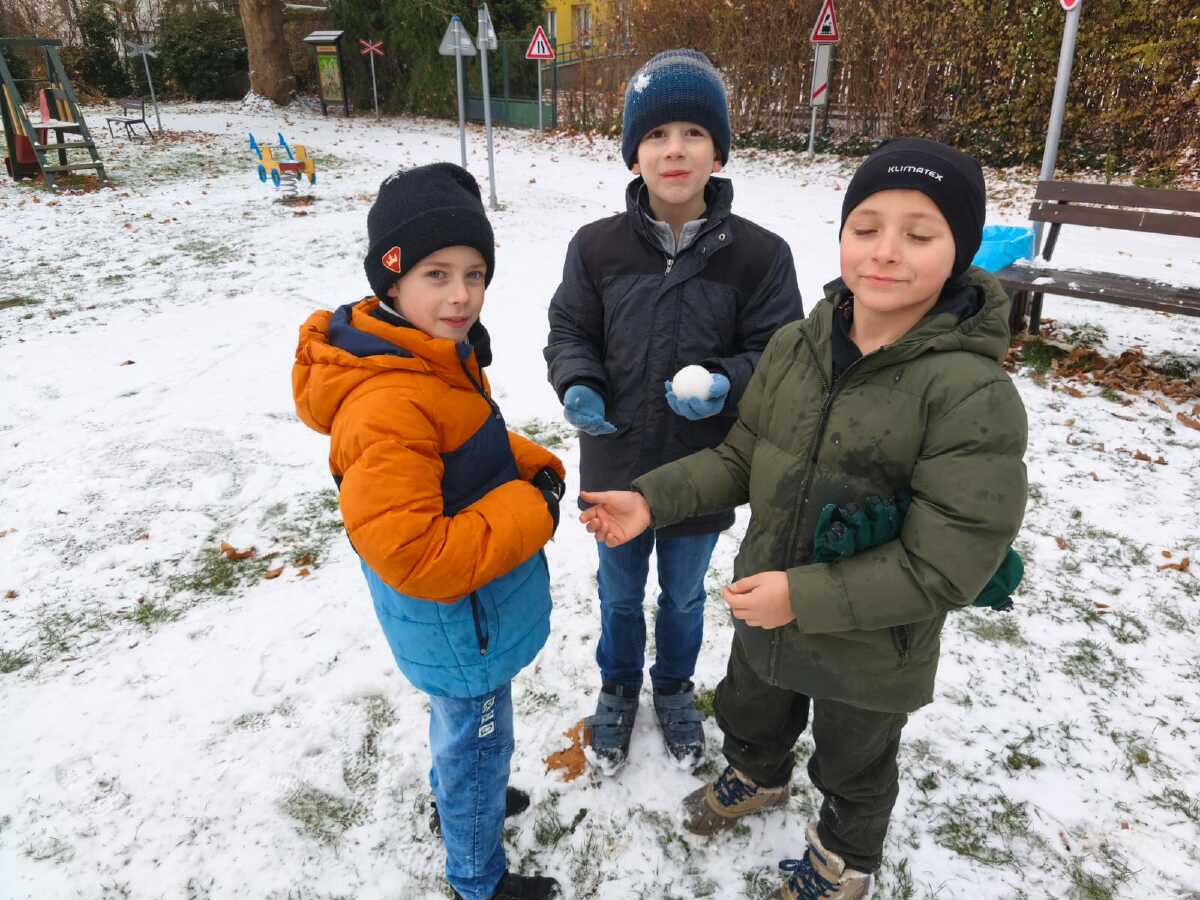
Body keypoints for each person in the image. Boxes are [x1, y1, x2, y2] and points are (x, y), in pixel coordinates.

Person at [578, 138, 1028, 899]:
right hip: (767, 606)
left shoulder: (971, 394)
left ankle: (842, 860)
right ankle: (758, 775)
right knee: (752, 711)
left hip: (872, 645)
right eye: (866, 227)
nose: (885, 252)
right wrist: (651, 497)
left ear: (960, 252)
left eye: (919, 235)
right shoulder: (796, 346)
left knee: (855, 763)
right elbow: (740, 455)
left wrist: (804, 596)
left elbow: (948, 561)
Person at [292, 163, 563, 900]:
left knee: (466, 731)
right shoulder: (386, 401)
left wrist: (531, 464)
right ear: (391, 280)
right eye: (436, 274)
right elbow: (418, 557)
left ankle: (462, 803)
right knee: (479, 740)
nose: (461, 296)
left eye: (475, 274)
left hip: (467, 620)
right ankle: (477, 878)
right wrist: (533, 509)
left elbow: (465, 440)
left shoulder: (425, 355)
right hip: (459, 622)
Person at [544, 48, 804, 776]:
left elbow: (779, 353)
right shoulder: (595, 248)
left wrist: (725, 381)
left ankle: (674, 687)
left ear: (719, 152)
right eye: (656, 135)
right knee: (620, 596)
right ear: (635, 155)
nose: (675, 149)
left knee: (684, 598)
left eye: (693, 132)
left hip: (704, 467)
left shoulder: (760, 256)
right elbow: (569, 330)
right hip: (615, 462)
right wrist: (577, 381)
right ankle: (619, 686)